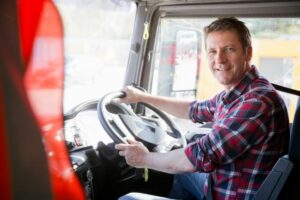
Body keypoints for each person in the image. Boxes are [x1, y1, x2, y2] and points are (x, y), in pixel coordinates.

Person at [115, 17, 290, 200]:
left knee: (127, 199)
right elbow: (193, 110)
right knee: (183, 176)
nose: (219, 59)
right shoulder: (237, 93)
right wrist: (141, 97)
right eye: (212, 51)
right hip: (223, 183)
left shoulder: (256, 102)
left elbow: (193, 159)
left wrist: (143, 159)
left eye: (229, 49)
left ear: (248, 53)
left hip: (233, 195)